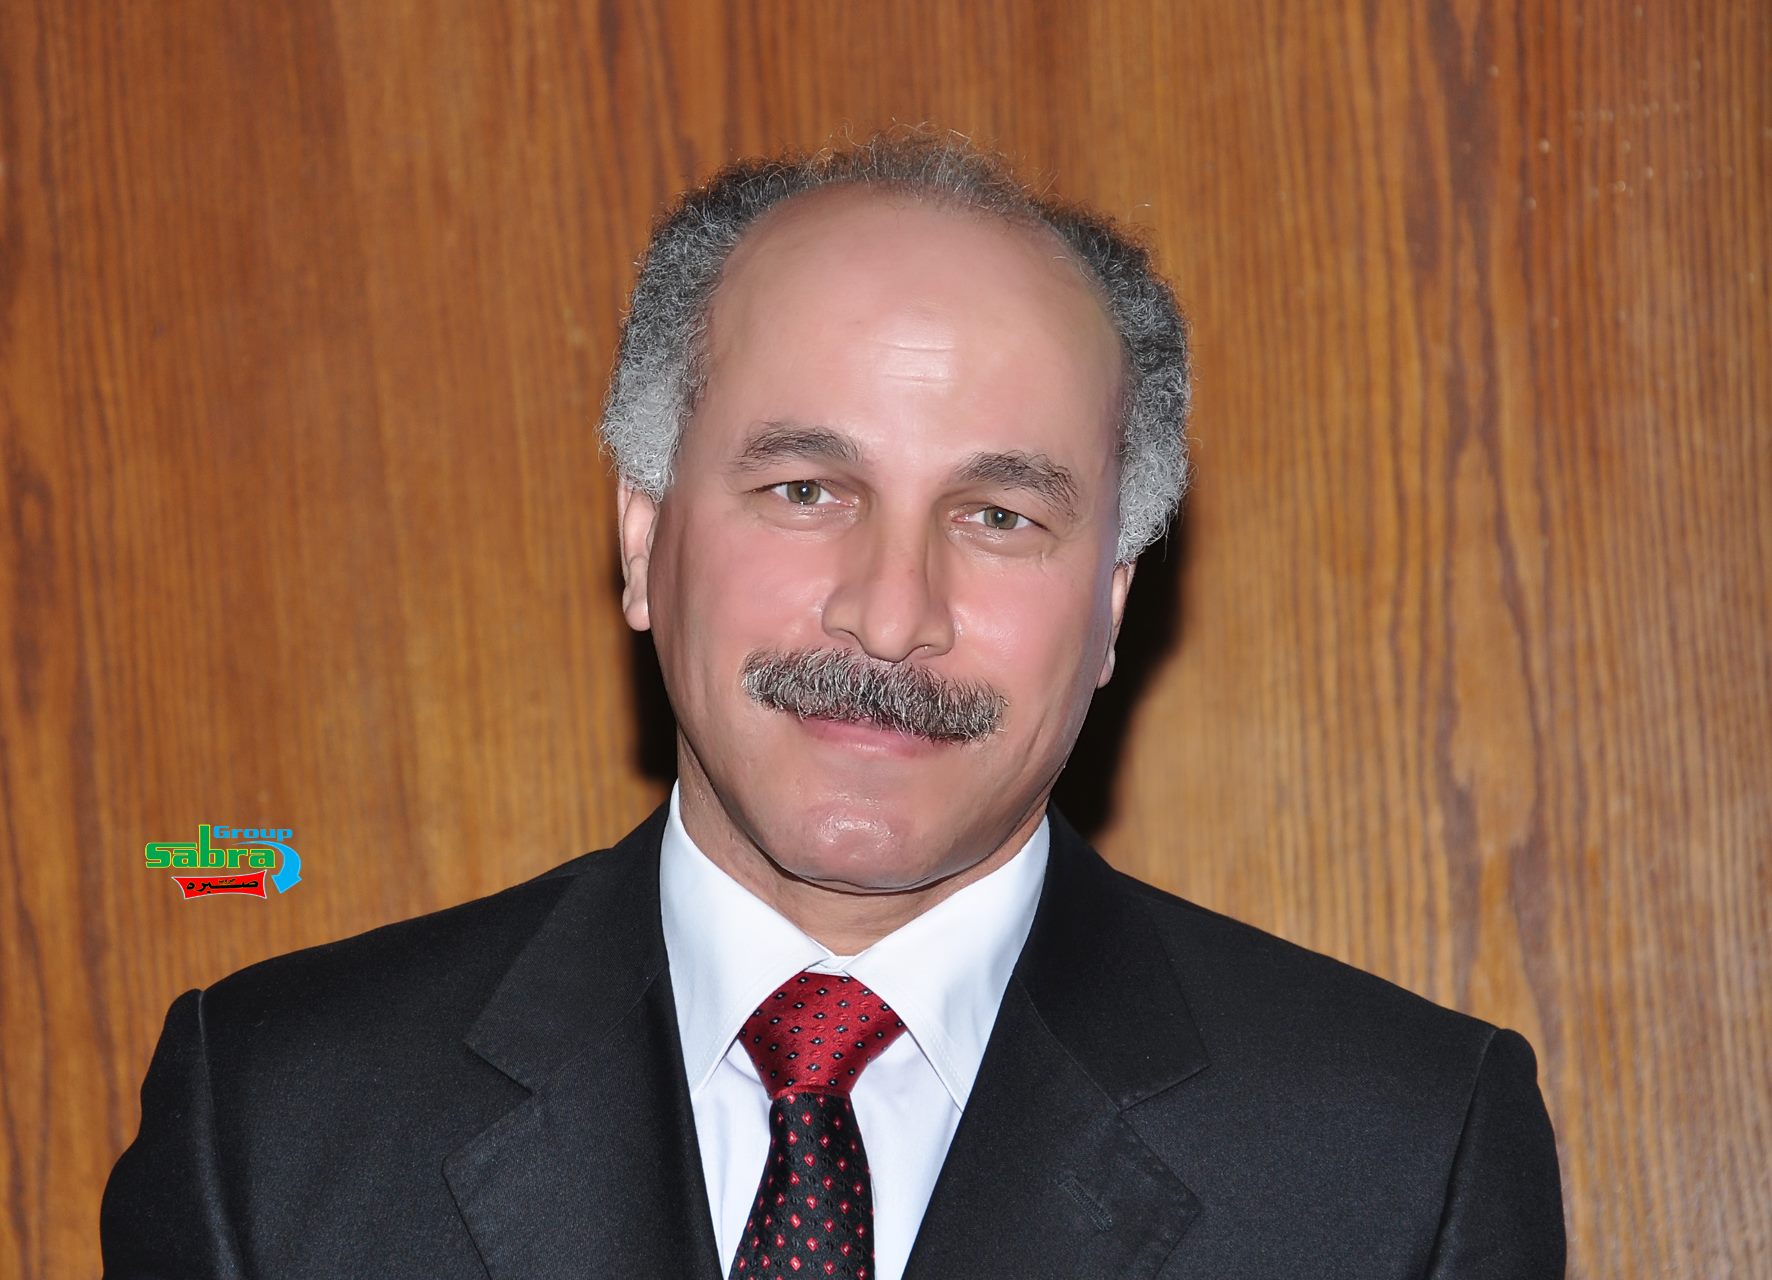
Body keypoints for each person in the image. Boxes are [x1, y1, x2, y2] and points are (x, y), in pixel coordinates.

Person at [101, 132, 1564, 1279]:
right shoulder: (276, 1124)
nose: (890, 611)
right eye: (806, 490)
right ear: (643, 538)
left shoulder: (1402, 1160)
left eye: (999, 516)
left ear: (1112, 602)